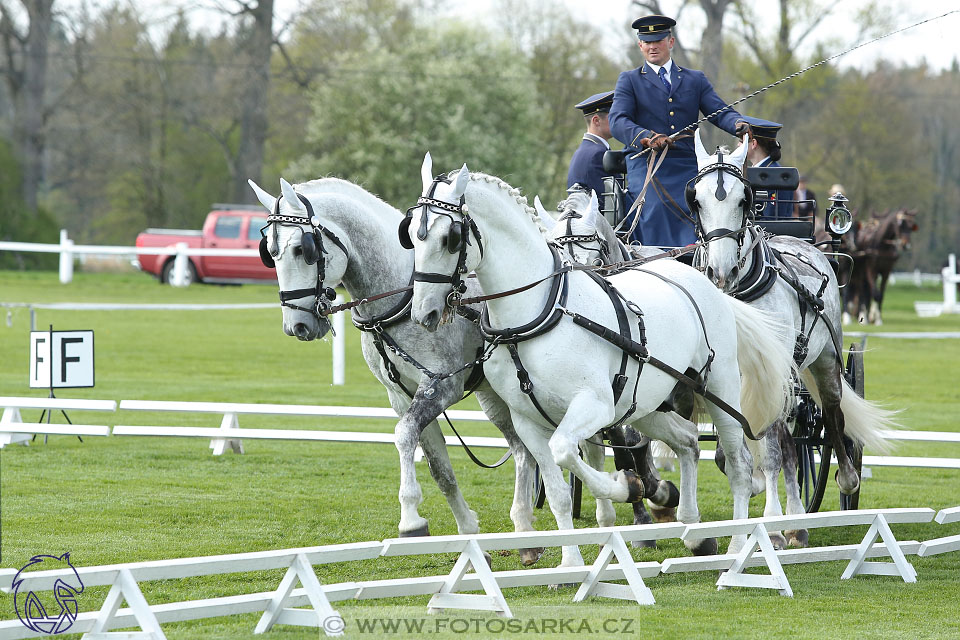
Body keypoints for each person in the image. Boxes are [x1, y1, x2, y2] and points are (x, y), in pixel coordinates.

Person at [609, 14, 746, 247]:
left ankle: (702, 257)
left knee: (707, 201)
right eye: (647, 41)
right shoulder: (630, 80)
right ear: (640, 45)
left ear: (670, 42)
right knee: (655, 206)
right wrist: (646, 137)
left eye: (659, 40)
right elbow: (617, 120)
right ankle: (654, 259)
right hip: (647, 163)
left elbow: (720, 111)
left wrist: (738, 125)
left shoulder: (695, 79)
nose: (653, 46)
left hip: (687, 162)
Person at [740, 115, 793, 219]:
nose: (738, 145)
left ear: (753, 143)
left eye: (742, 142)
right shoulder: (755, 172)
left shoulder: (776, 175)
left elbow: (772, 220)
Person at [567, 91, 616, 199]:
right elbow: (608, 205)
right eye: (613, 116)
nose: (618, 121)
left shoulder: (585, 150)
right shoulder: (598, 154)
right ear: (596, 121)